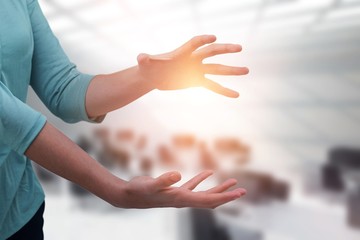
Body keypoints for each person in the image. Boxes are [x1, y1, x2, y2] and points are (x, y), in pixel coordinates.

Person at [0, 0, 249, 239]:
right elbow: (10, 119)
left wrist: (146, 78)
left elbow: (62, 88)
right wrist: (116, 190)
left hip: (17, 212)